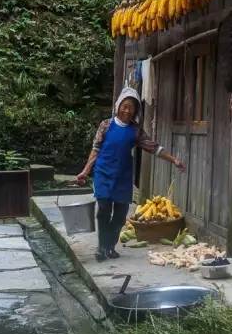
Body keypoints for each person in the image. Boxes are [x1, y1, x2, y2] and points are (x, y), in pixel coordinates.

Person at [76, 86, 185, 261]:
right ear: (118, 105)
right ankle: (101, 248)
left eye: (131, 107)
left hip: (123, 176)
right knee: (103, 210)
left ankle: (110, 246)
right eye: (124, 106)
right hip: (103, 173)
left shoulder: (135, 130)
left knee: (120, 216)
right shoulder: (106, 125)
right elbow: (95, 150)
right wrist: (85, 171)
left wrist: (174, 159)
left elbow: (154, 147)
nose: (127, 110)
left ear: (135, 110)